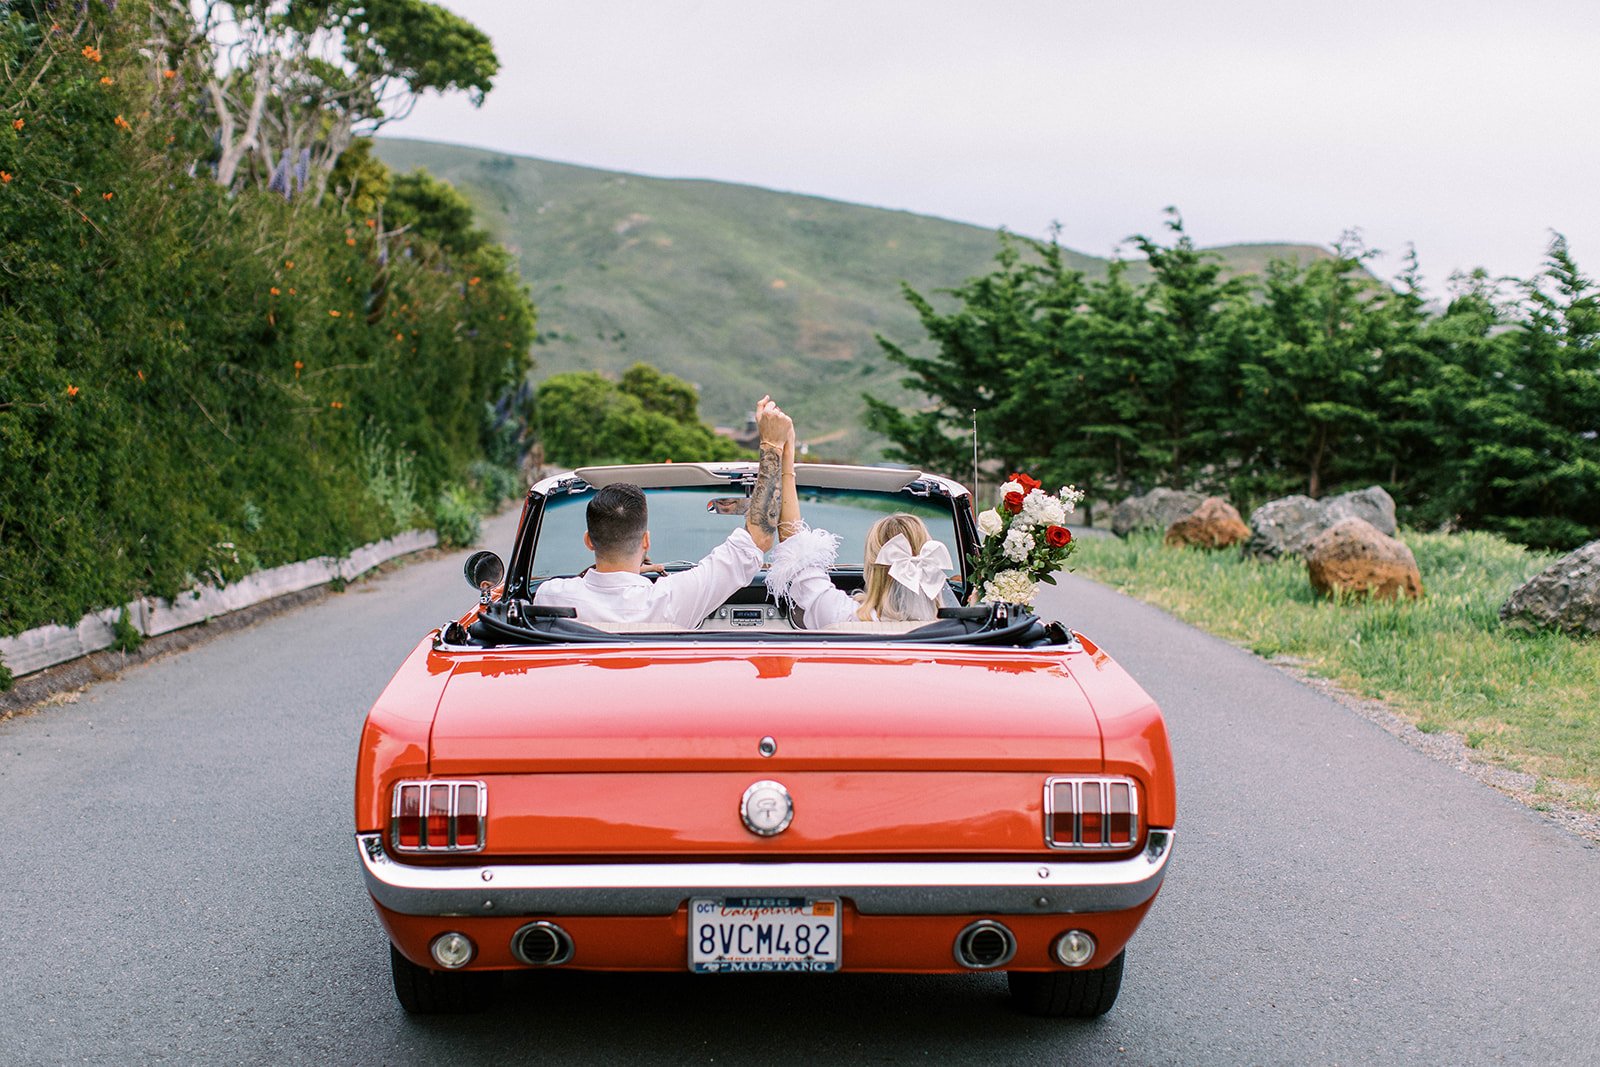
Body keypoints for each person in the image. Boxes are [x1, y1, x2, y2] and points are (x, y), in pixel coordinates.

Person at [532, 396, 792, 626]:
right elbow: (760, 538)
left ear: (589, 541)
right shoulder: (671, 599)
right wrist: (772, 444)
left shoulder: (552, 596)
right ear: (646, 540)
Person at [765, 424, 954, 628]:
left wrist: (783, 455)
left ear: (871, 566)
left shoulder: (842, 615)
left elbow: (795, 546)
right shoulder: (960, 623)